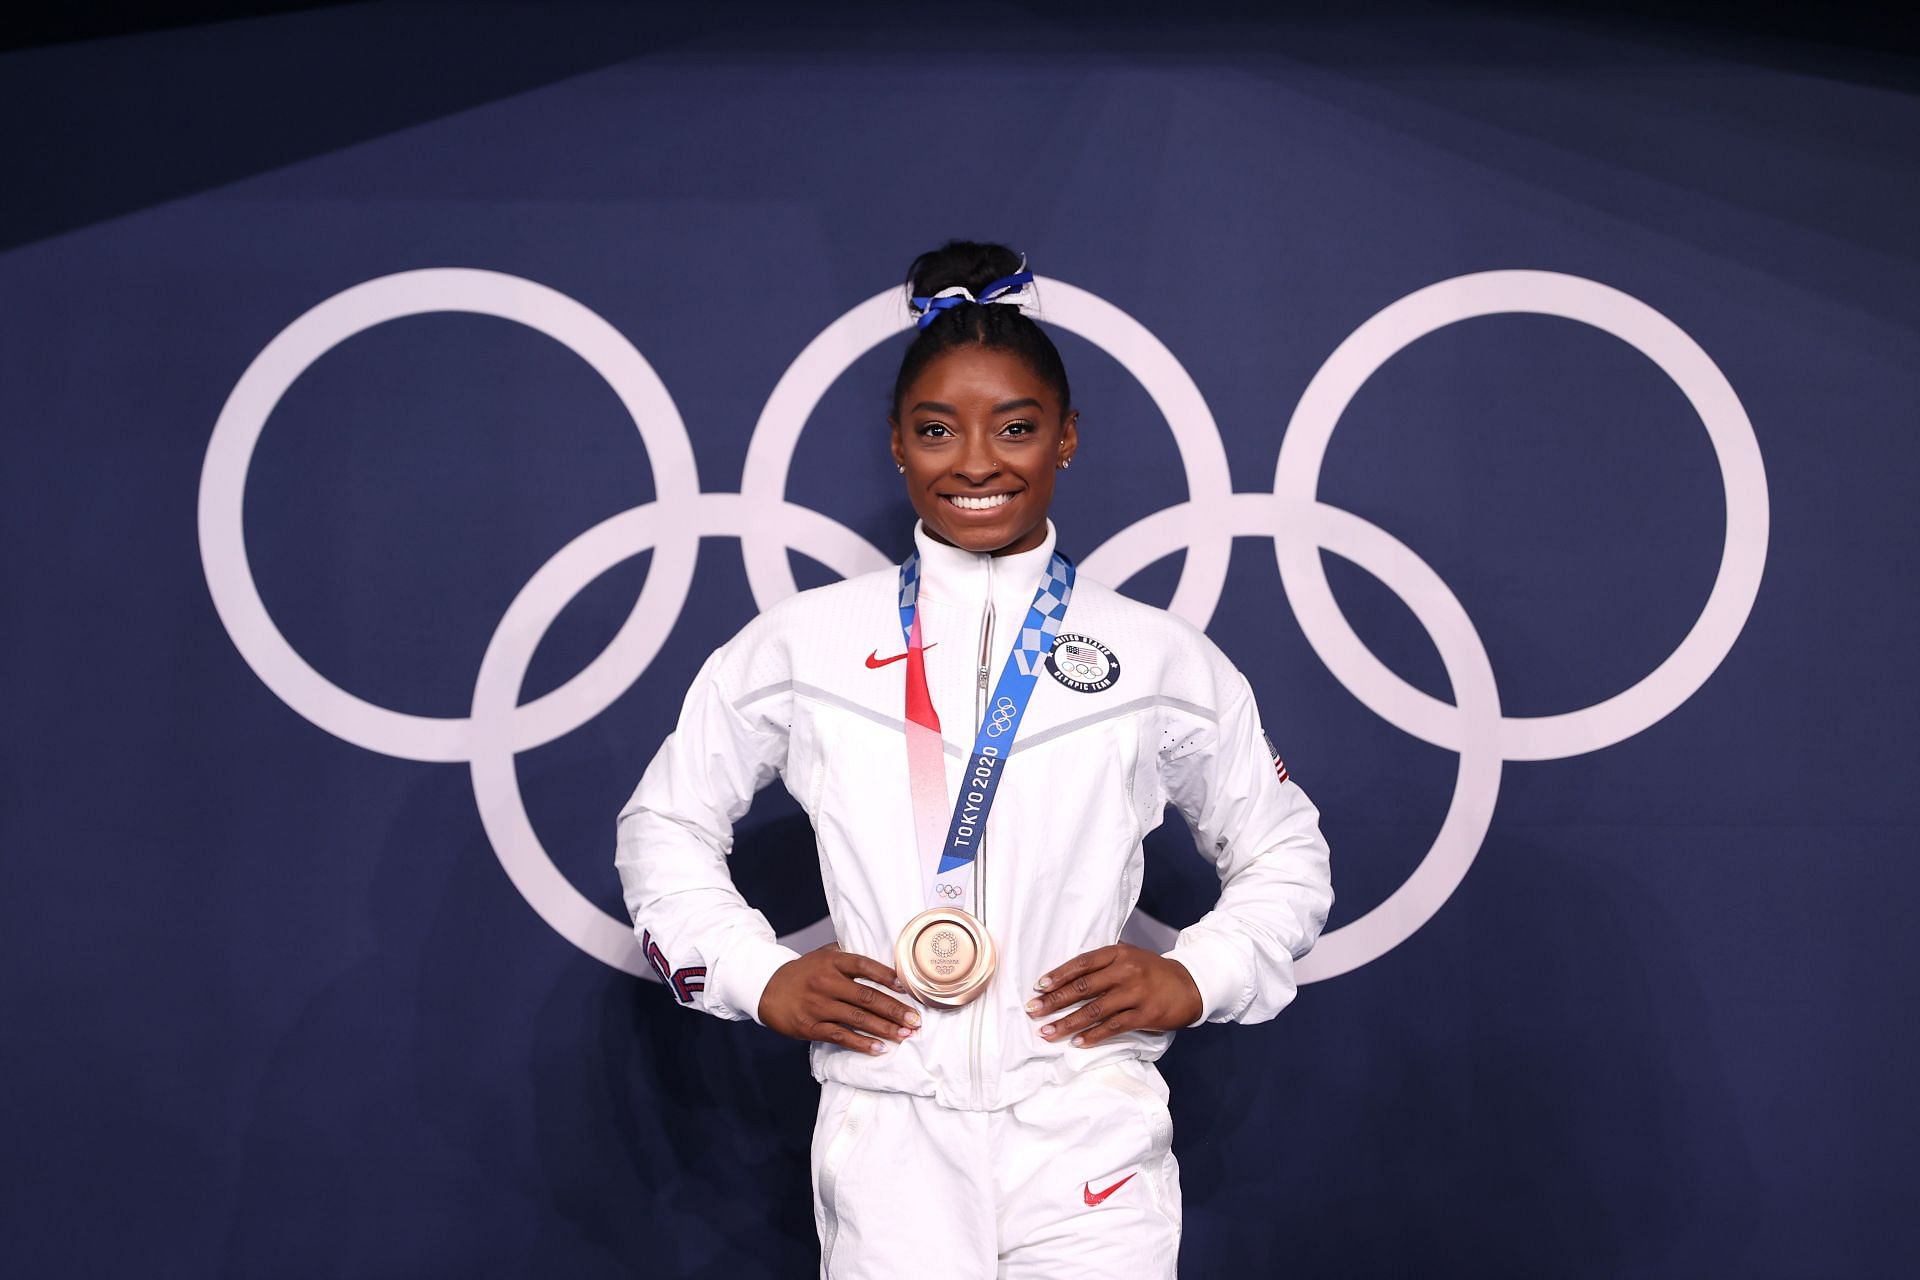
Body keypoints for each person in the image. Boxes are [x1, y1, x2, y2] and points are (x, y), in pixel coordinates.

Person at [615, 240, 1332, 1278]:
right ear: (898, 446)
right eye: (938, 429)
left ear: (1068, 439)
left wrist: (1200, 971)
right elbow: (663, 826)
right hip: (888, 1128)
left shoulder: (1156, 654)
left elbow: (1286, 850)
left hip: (1088, 1122)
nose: (979, 461)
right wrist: (753, 971)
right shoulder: (802, 645)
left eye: (1018, 426)